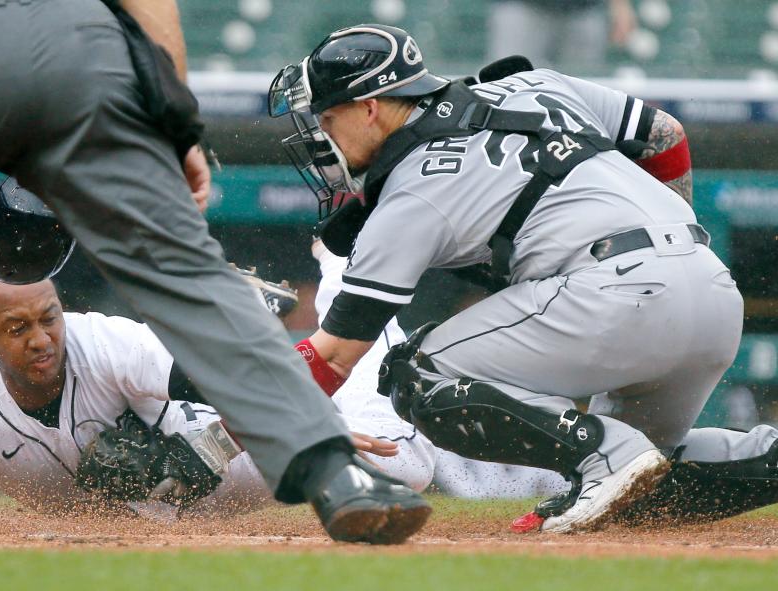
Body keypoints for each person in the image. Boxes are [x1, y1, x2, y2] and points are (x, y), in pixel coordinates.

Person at [0, 2, 430, 548]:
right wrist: (177, 126)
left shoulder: (95, 344)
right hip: (92, 61)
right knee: (186, 279)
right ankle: (332, 472)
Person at [268, 23, 778, 534]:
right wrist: (672, 256)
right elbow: (665, 136)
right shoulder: (535, 85)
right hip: (711, 287)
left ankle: (607, 454)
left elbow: (335, 356)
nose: (323, 134)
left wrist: (234, 406)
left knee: (414, 372)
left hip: (618, 295)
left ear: (371, 107)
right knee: (642, 484)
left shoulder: (409, 195)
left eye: (329, 118)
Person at [0, 260, 438, 518]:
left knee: (403, 468)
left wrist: (315, 430)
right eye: (16, 328)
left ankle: (349, 277)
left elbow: (237, 385)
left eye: (49, 318)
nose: (40, 339)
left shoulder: (102, 341)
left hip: (214, 458)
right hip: (138, 522)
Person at [488, 0, 637, 70]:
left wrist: (620, 5)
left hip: (582, 11)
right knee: (509, 85)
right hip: (522, 9)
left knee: (581, 94)